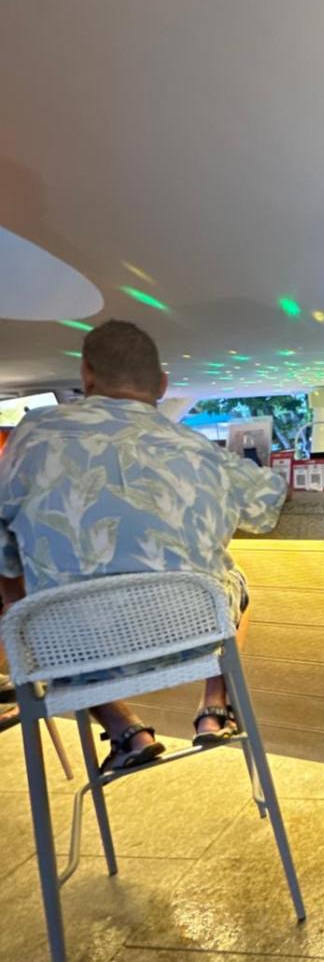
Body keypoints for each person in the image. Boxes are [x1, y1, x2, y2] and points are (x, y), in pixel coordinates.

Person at [0, 320, 286, 769]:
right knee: (234, 580)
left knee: (26, 598)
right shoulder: (195, 446)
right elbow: (265, 505)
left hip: (71, 647)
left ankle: (125, 731)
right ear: (163, 385)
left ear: (87, 375)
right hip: (189, 635)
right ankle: (215, 704)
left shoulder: (34, 433)